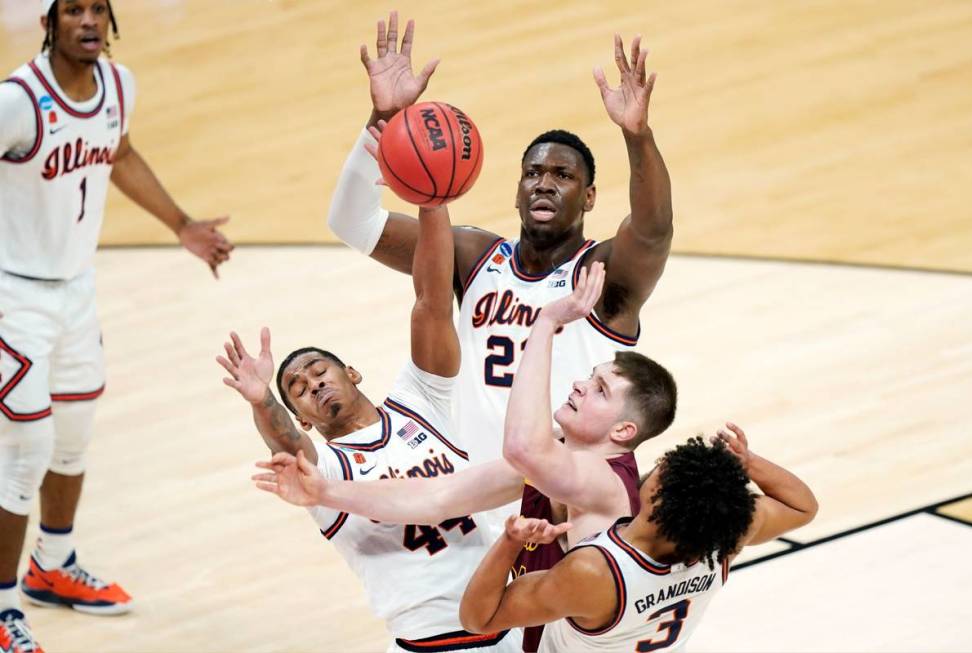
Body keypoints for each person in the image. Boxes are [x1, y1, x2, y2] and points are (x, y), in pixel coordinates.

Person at [327, 14, 674, 528]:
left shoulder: (601, 275)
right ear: (516, 190)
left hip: (560, 504)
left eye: (563, 175)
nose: (544, 184)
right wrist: (384, 116)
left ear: (590, 197)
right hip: (469, 498)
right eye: (532, 173)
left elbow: (652, 231)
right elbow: (351, 222)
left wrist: (637, 138)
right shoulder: (475, 256)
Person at [252, 262, 678, 652]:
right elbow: (436, 498)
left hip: (533, 634)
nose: (580, 385)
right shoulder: (564, 468)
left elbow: (522, 448)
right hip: (483, 634)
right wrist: (324, 489)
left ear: (624, 430)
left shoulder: (588, 478)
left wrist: (546, 322)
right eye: (589, 377)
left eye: (598, 388)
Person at [0, 1, 232, 649]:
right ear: (49, 22)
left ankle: (54, 564)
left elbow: (120, 154)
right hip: (12, 296)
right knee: (25, 451)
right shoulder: (17, 102)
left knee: (73, 435)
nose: (88, 20)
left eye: (97, 8)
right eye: (73, 9)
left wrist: (181, 225)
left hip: (76, 291)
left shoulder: (118, 86)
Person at [218, 204, 518, 653]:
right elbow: (286, 443)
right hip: (433, 641)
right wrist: (263, 400)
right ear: (301, 417)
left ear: (352, 373)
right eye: (297, 389)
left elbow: (432, 305)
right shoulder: (326, 472)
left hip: (511, 621)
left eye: (319, 371)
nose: (313, 384)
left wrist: (432, 202)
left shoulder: (418, 400)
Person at [458, 425, 819, 653]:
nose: (660, 463)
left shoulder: (594, 572)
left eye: (665, 466)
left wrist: (510, 542)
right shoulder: (723, 537)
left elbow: (479, 618)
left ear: (654, 498)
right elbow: (802, 507)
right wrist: (748, 462)